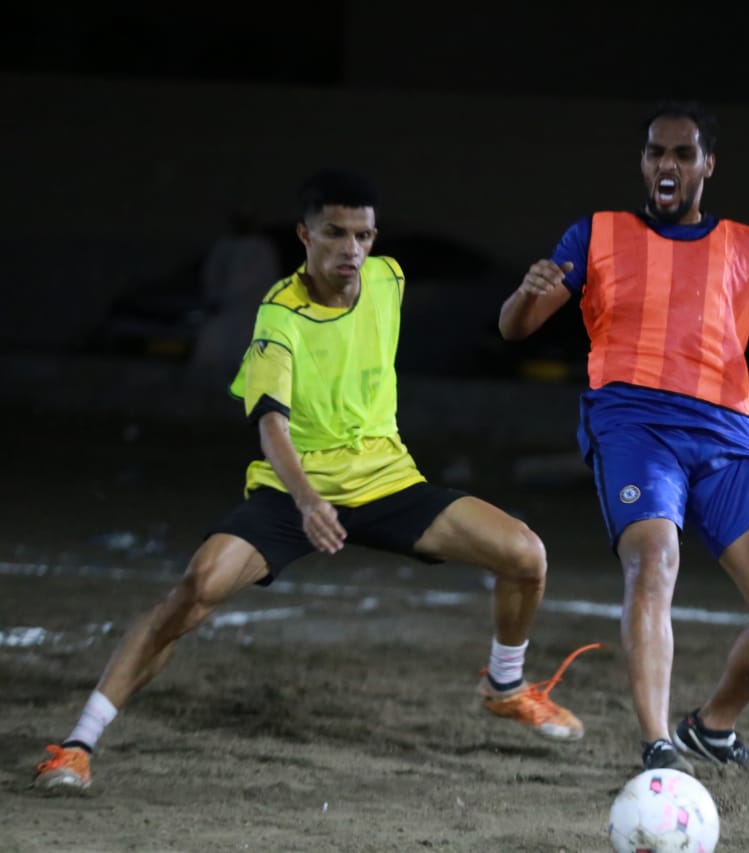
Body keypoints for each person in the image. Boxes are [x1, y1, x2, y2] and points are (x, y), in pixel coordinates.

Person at [34, 169, 591, 793]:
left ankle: (505, 685)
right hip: (293, 491)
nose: (351, 249)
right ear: (305, 235)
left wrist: (526, 295)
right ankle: (77, 744)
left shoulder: (388, 278)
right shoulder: (280, 316)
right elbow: (270, 425)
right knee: (196, 588)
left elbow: (503, 329)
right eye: (335, 233)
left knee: (525, 554)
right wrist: (306, 500)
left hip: (387, 482)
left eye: (363, 235)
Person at [497, 101, 749, 774]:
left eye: (682, 153)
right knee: (654, 558)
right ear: (643, 163)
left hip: (725, 433)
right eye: (655, 152)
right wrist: (525, 294)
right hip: (633, 423)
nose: (667, 164)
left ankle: (712, 725)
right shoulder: (595, 234)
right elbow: (516, 328)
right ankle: (657, 741)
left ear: (708, 165)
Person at [187, 207, 284, 386]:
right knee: (215, 348)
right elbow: (212, 275)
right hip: (225, 309)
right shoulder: (225, 247)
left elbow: (267, 278)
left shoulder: (261, 248)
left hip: (250, 309)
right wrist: (214, 297)